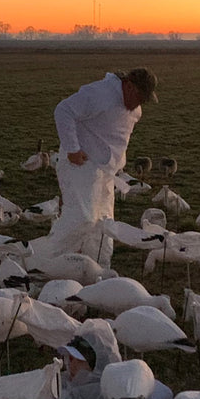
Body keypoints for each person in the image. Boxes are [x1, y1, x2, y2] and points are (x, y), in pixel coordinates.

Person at [43, 67, 158, 266]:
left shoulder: (134, 109)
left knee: (104, 226)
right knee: (81, 218)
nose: (140, 103)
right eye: (139, 96)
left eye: (144, 100)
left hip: (106, 174)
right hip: (81, 166)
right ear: (128, 85)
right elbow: (63, 110)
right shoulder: (98, 94)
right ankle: (44, 264)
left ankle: (96, 271)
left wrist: (116, 163)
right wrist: (72, 149)